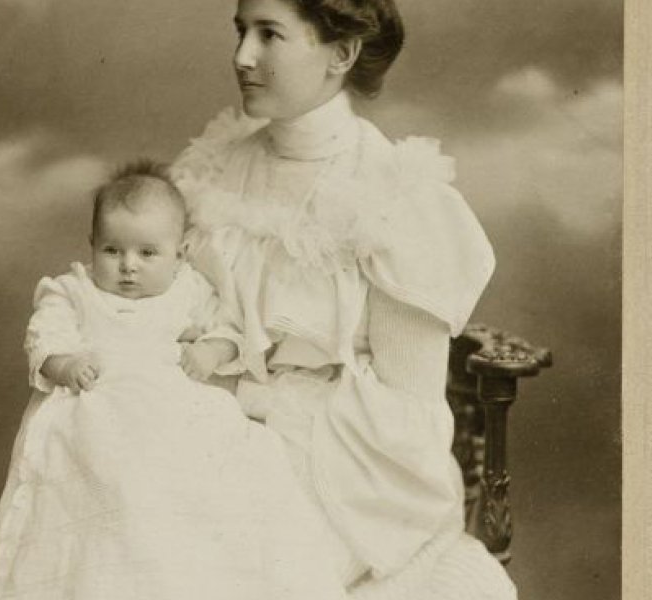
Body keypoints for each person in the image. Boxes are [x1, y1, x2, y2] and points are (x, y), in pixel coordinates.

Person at [172, 0, 517, 598]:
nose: (241, 57)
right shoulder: (211, 172)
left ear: (342, 52)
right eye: (240, 31)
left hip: (343, 472)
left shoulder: (393, 196)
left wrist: (255, 402)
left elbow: (410, 419)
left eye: (269, 35)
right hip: (200, 429)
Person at [0, 160, 347, 600]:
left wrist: (209, 351)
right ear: (92, 245)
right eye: (112, 251)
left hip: (175, 415)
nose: (128, 267)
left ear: (180, 251)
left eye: (147, 253)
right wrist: (66, 364)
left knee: (235, 473)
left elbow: (228, 329)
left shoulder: (187, 290)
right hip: (96, 415)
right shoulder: (73, 292)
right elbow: (44, 337)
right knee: (111, 497)